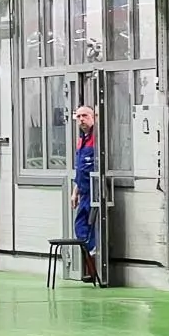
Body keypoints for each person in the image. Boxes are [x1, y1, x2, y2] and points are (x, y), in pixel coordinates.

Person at [70, 105, 98, 283]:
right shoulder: (82, 140)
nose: (81, 119)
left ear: (93, 117)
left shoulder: (98, 138)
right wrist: (75, 192)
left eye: (85, 115)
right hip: (84, 193)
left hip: (96, 192)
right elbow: (80, 170)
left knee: (94, 231)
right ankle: (92, 264)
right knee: (80, 228)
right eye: (79, 116)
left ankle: (95, 271)